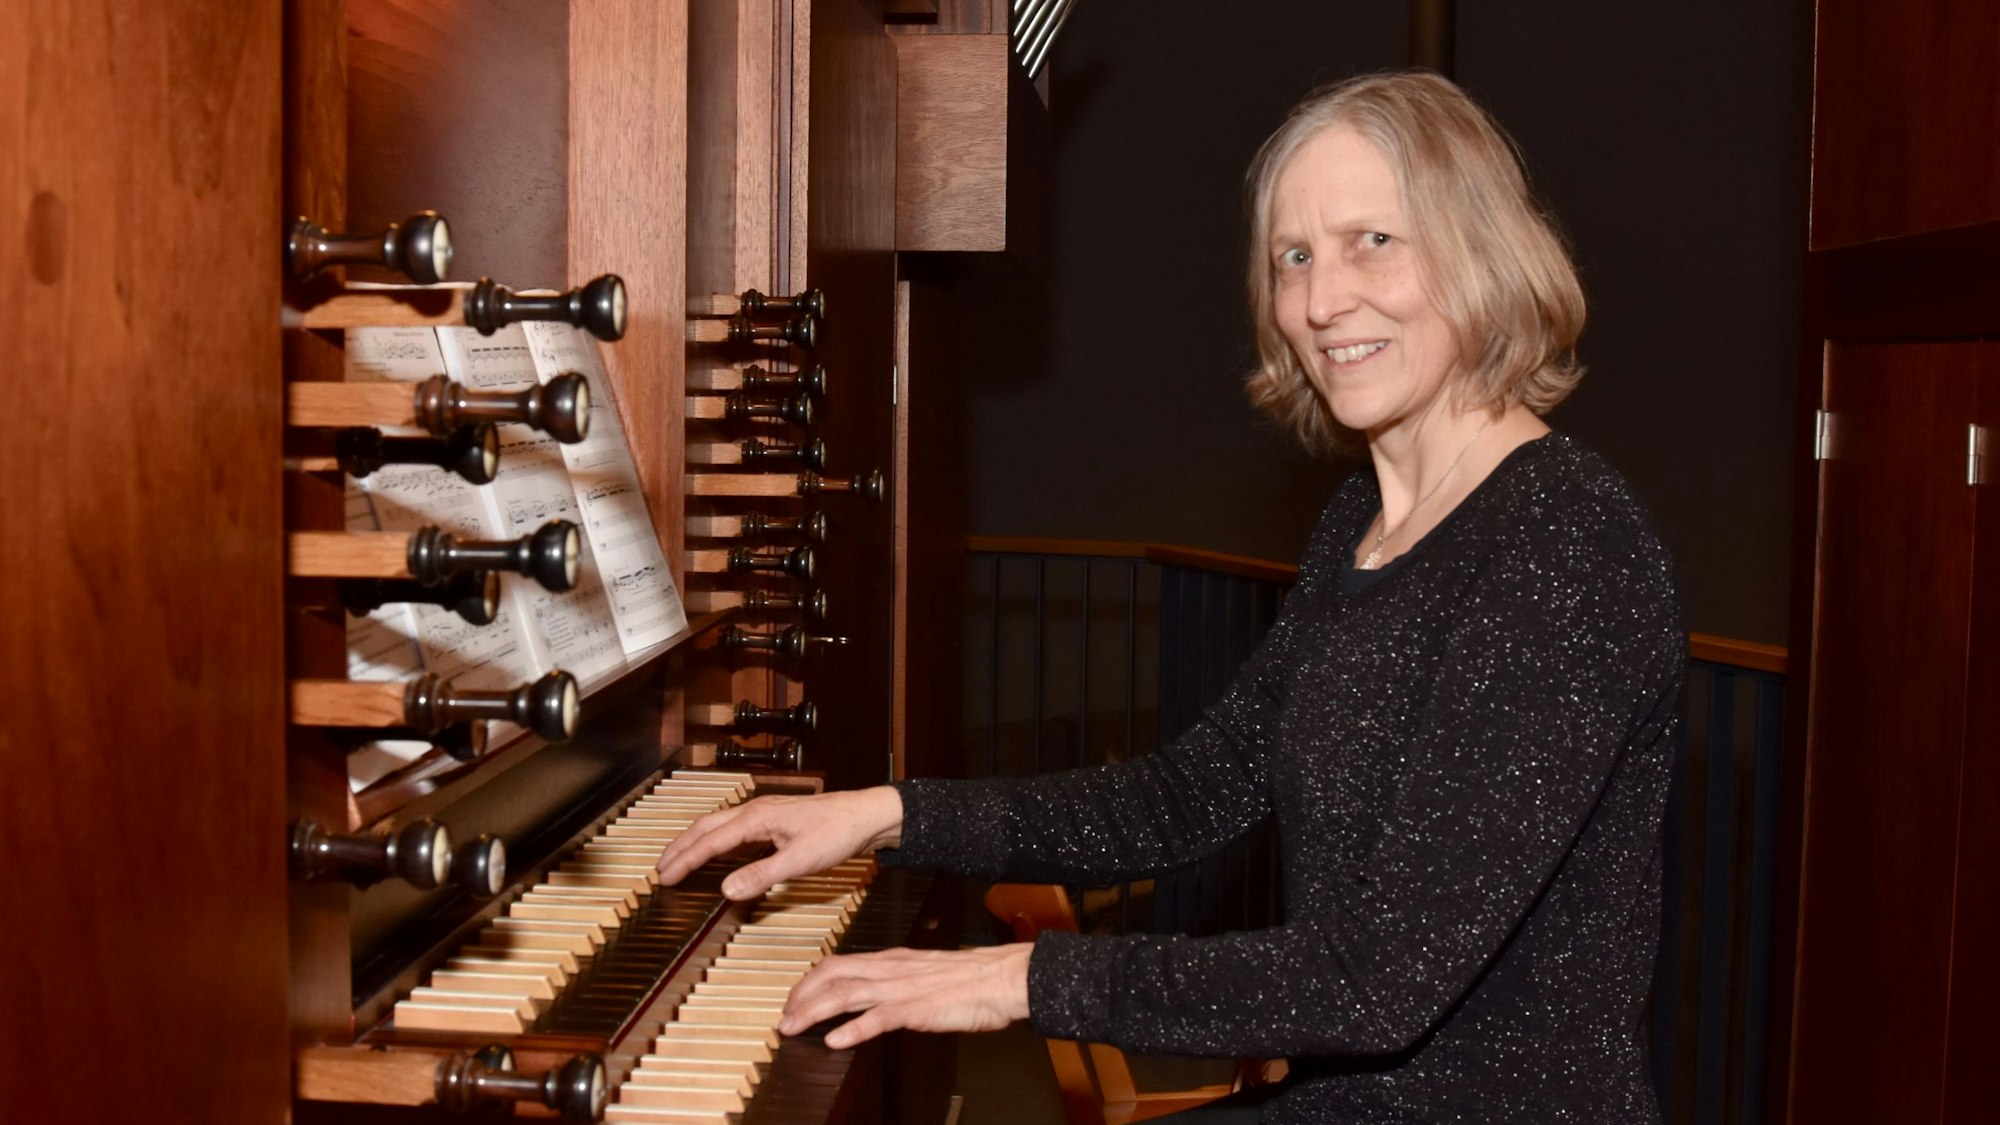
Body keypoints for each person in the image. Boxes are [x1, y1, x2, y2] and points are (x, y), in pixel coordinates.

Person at [658, 70, 1682, 1124]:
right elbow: (1186, 796)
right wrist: (889, 814)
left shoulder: (1563, 539)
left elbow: (1373, 981)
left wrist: (1014, 981)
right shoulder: (1361, 525)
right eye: (1294, 257)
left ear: (1476, 250)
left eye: (1372, 240)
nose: (1322, 301)